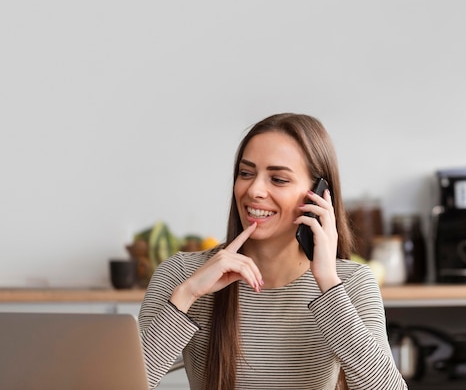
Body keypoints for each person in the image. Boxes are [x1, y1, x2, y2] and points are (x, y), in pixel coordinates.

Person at [138, 112, 408, 390]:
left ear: (318, 195)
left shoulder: (350, 283)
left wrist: (328, 283)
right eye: (246, 173)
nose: (254, 190)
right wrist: (186, 295)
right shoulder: (181, 274)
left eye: (278, 179)